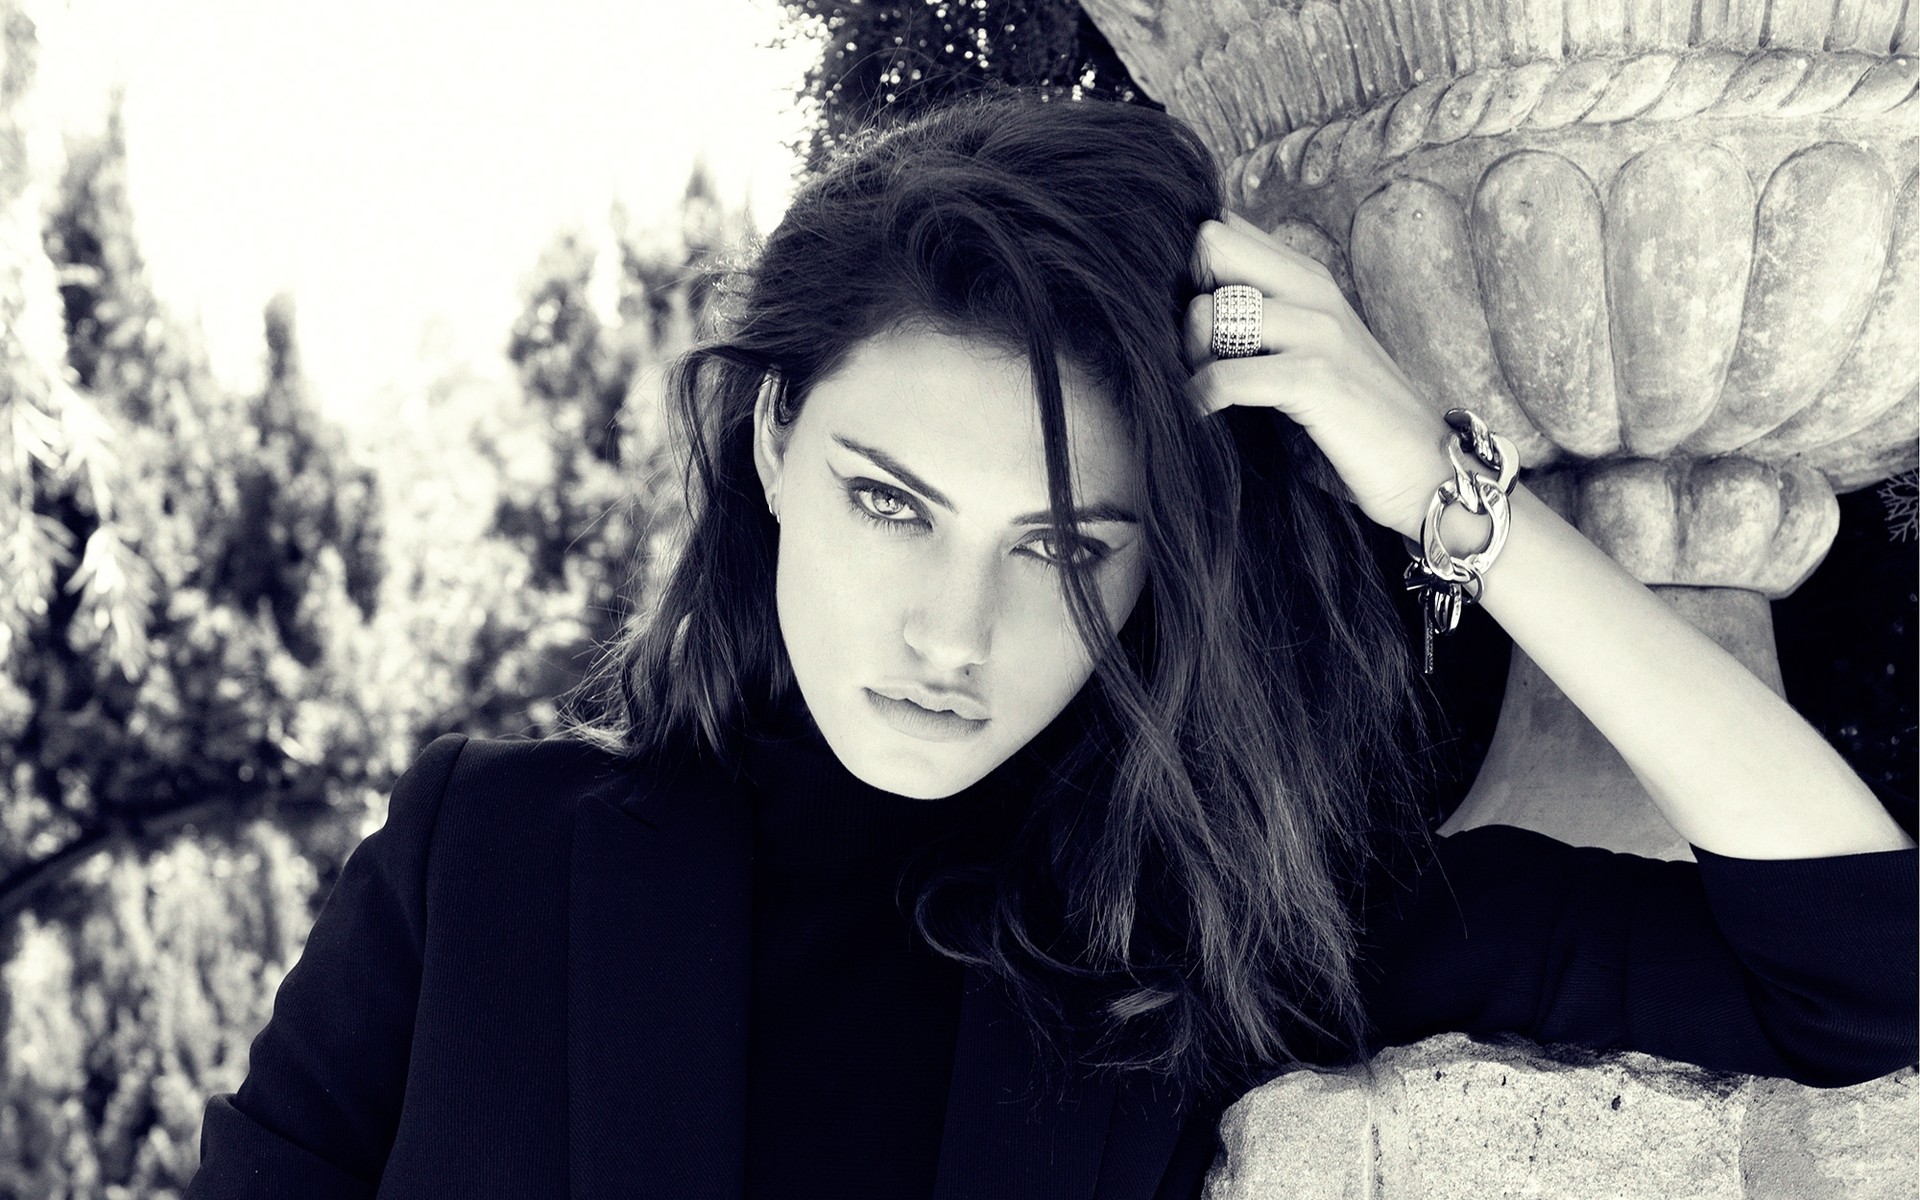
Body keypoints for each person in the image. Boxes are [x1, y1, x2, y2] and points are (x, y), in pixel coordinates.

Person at [184, 91, 1916, 1200]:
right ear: (773, 442)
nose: (955, 632)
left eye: (1067, 548)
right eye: (891, 503)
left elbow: (1865, 970)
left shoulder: (1242, 923)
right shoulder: (484, 854)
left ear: (1162, 562)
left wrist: (1440, 492)